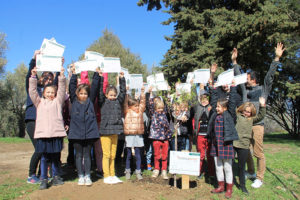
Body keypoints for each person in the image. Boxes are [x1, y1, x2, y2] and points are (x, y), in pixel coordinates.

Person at [232, 43, 285, 188]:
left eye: (248, 77)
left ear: (253, 79)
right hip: (244, 126)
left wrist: (276, 58)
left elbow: (269, 78)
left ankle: (260, 178)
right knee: (245, 150)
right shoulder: (244, 91)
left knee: (258, 152)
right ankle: (250, 171)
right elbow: (238, 75)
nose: (245, 80)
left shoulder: (262, 90)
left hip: (257, 125)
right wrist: (235, 62)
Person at [29, 66, 66, 190]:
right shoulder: (39, 103)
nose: (50, 94)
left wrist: (61, 76)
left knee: (56, 157)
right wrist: (33, 77)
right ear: (43, 93)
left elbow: (61, 90)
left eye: (52, 92)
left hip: (56, 134)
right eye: (48, 92)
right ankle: (44, 179)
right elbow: (32, 91)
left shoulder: (58, 102)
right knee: (44, 158)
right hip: (43, 135)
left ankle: (55, 177)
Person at [68, 66, 101, 186]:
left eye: (85, 93)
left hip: (89, 133)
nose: (83, 95)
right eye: (81, 93)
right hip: (76, 133)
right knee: (78, 155)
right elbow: (72, 87)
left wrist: (97, 74)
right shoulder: (74, 101)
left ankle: (88, 175)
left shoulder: (90, 101)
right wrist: (73, 74)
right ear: (77, 94)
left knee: (87, 155)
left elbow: (95, 87)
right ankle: (80, 176)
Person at [209, 82, 239, 199]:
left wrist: (233, 88)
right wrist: (214, 89)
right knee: (218, 166)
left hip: (226, 145)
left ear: (225, 108)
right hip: (216, 145)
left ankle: (229, 188)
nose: (216, 108)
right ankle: (220, 186)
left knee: (227, 167)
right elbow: (213, 100)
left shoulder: (230, 114)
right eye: (216, 107)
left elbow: (232, 102)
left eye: (219, 107)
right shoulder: (215, 115)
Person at [234, 97, 266, 194]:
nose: (246, 113)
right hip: (234, 143)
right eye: (245, 111)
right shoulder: (238, 116)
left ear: (251, 113)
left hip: (244, 144)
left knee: (241, 166)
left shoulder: (252, 119)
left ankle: (242, 186)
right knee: (230, 164)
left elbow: (261, 116)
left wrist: (262, 106)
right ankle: (229, 182)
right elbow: (232, 108)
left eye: (248, 112)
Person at [98, 72, 126, 184]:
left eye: (114, 95)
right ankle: (106, 176)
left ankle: (113, 174)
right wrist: (100, 78)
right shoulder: (103, 102)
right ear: (106, 95)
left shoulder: (118, 102)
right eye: (111, 95)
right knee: (106, 154)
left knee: (113, 155)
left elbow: (123, 92)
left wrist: (122, 79)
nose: (113, 97)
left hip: (115, 131)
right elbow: (99, 92)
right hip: (105, 132)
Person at [192, 83, 215, 180]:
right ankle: (199, 171)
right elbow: (193, 100)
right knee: (200, 155)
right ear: (200, 100)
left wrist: (209, 86)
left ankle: (211, 173)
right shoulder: (198, 107)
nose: (204, 101)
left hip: (209, 135)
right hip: (200, 135)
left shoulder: (211, 107)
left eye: (206, 99)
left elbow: (213, 96)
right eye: (202, 99)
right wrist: (193, 86)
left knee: (210, 155)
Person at [123, 86, 146, 180]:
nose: (137, 107)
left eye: (138, 105)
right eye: (135, 106)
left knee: (138, 154)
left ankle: (138, 171)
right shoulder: (127, 111)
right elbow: (125, 102)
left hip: (138, 135)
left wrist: (142, 92)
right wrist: (127, 92)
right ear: (130, 106)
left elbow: (143, 103)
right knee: (128, 154)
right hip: (129, 136)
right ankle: (127, 170)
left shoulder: (140, 111)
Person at [148, 92, 172, 180]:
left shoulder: (165, 114)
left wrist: (166, 94)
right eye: (158, 108)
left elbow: (167, 106)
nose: (160, 110)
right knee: (157, 155)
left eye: (162, 108)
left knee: (165, 155)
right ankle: (156, 169)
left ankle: (164, 170)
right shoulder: (153, 114)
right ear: (155, 108)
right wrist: (150, 94)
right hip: (156, 138)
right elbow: (150, 106)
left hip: (165, 138)